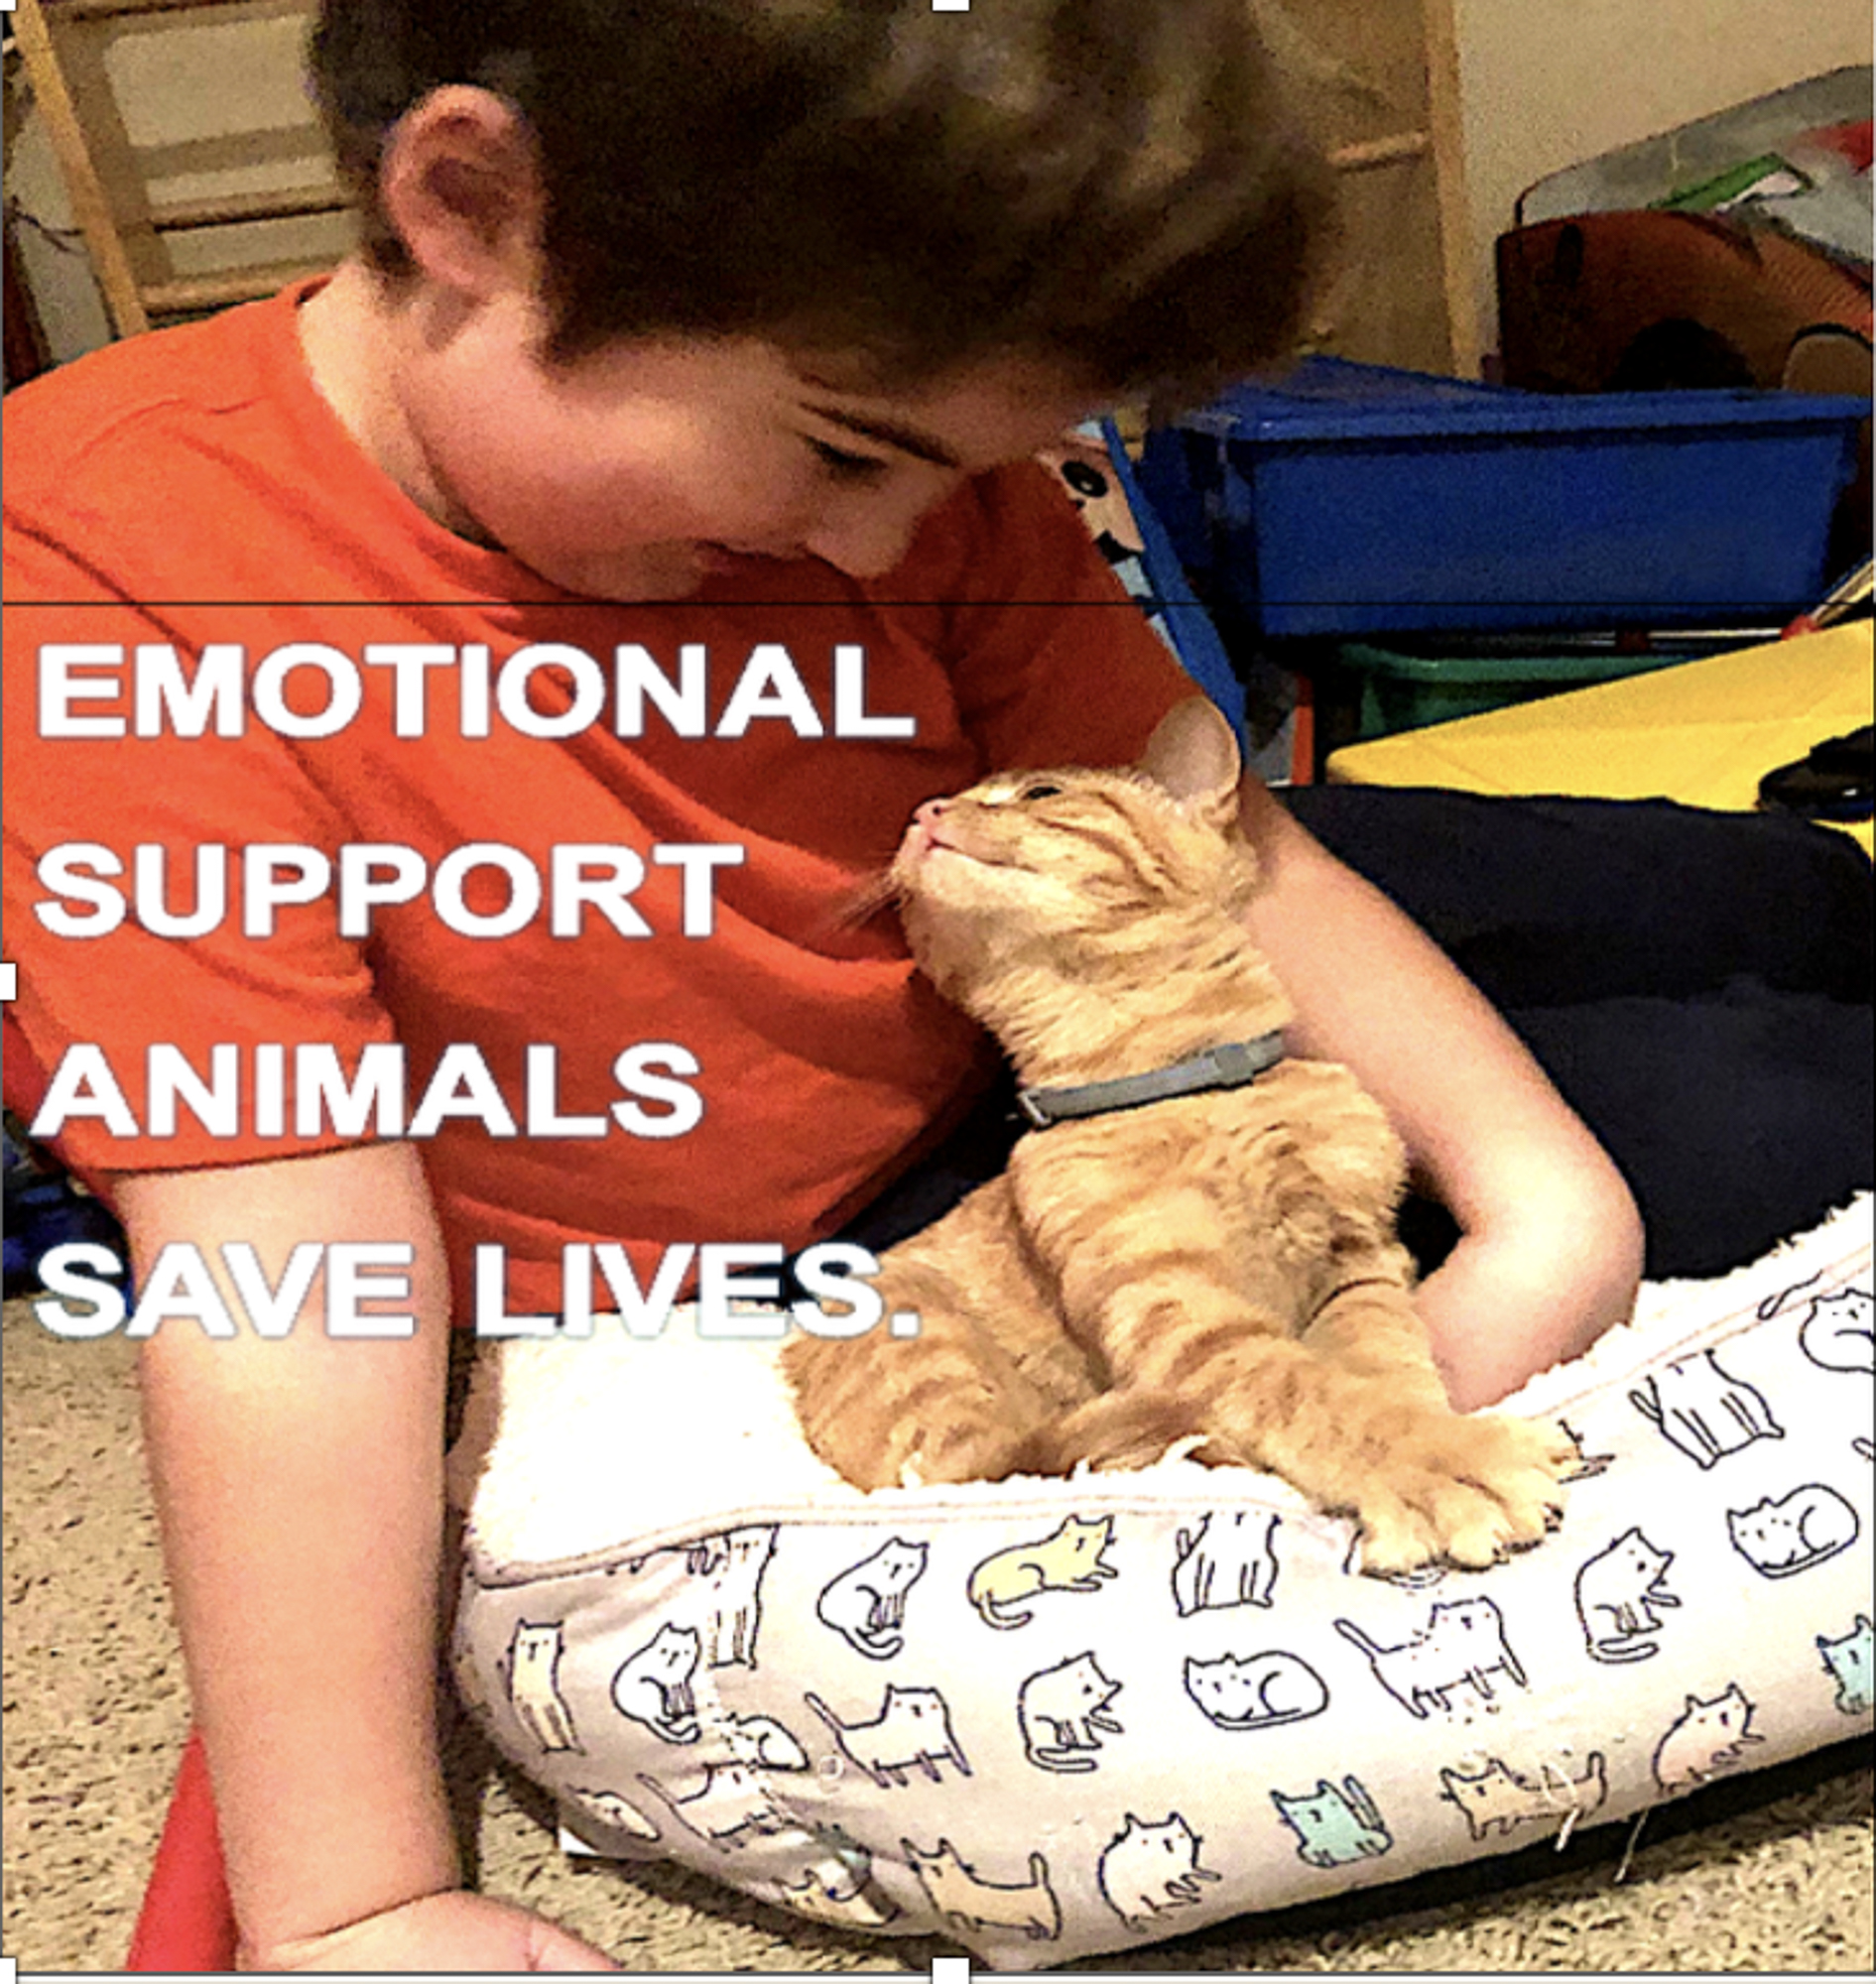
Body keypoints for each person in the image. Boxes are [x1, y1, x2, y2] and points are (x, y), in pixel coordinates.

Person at [1, 0, 1658, 1968]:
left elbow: (1220, 853)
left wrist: (1549, 1203)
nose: (898, 536)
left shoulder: (923, 471)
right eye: (850, 451)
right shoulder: (104, 554)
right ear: (470, 205)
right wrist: (351, 1891)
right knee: (1742, 1112)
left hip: (1038, 1012)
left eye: (971, 468)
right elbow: (288, 1256)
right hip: (819, 1240)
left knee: (1698, 922)